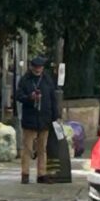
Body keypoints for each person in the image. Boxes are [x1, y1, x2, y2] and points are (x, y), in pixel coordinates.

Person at [15, 54, 59, 185]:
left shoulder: (47, 80)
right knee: (27, 148)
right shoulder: (25, 80)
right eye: (36, 67)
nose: (39, 69)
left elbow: (52, 98)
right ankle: (25, 174)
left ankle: (42, 174)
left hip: (44, 118)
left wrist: (55, 116)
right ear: (32, 67)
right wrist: (30, 97)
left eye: (40, 67)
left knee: (42, 149)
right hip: (30, 119)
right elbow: (18, 96)